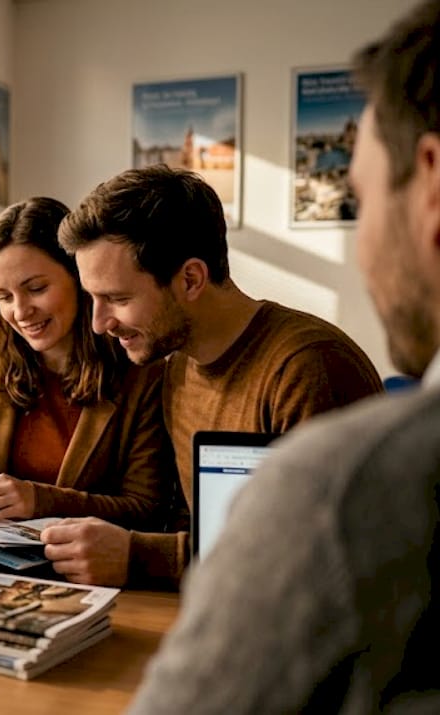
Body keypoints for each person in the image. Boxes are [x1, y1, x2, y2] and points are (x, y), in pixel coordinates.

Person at [128, 3, 440, 710]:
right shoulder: (174, 370)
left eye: (358, 201)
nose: (360, 249)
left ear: (432, 187)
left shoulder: (335, 485)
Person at [46, 165, 383, 588]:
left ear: (191, 279)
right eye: (92, 298)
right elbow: (204, 525)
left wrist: (141, 556)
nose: (99, 323)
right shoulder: (177, 370)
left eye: (117, 298)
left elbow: (316, 555)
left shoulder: (308, 367)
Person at [0, 197, 171, 530]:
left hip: (82, 568)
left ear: (80, 279)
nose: (20, 312)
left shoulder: (141, 369)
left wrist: (41, 501)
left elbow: (145, 509)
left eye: (36, 288)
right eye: (4, 297)